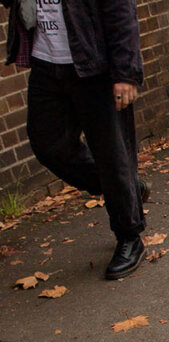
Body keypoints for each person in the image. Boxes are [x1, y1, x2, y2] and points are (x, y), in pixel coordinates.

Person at [2, 0, 149, 280]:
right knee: (48, 143)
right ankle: (127, 190)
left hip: (95, 66)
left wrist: (126, 73)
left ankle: (130, 236)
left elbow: (121, 11)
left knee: (112, 156)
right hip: (46, 65)